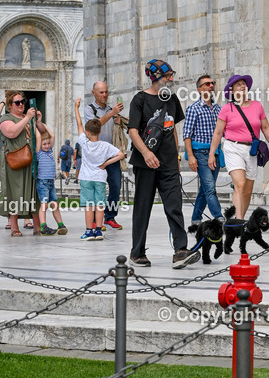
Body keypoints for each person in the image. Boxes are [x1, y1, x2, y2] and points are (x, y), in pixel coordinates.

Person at [127, 59, 200, 269]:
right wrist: (146, 153)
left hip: (168, 164)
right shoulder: (139, 99)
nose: (171, 79)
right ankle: (137, 252)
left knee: (174, 206)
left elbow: (173, 130)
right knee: (143, 208)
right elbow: (133, 130)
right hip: (145, 163)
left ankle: (180, 251)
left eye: (171, 75)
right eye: (167, 76)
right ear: (155, 77)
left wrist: (177, 158)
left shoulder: (171, 99)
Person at [208, 74, 269, 223]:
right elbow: (218, 132)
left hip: (251, 150)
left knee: (247, 189)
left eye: (243, 84)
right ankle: (239, 221)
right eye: (238, 84)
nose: (242, 86)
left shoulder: (257, 106)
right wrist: (211, 154)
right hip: (232, 147)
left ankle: (240, 218)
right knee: (239, 184)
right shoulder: (227, 109)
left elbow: (265, 127)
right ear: (232, 90)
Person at [74, 98, 124, 240]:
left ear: (87, 132)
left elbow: (78, 124)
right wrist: (106, 164)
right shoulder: (105, 146)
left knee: (89, 206)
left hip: (86, 178)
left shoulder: (84, 142)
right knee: (100, 205)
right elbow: (121, 155)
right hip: (100, 178)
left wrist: (76, 108)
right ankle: (98, 231)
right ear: (100, 130)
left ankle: (89, 231)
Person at [0, 90, 39, 236]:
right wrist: (27, 118)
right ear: (9, 105)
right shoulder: (5, 118)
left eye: (22, 101)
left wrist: (36, 121)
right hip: (13, 160)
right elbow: (11, 133)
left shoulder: (27, 118)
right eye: (17, 102)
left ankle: (37, 226)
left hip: (29, 159)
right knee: (15, 192)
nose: (21, 104)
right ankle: (14, 226)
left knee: (32, 192)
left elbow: (37, 137)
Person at [183, 74, 223, 224]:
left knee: (205, 189)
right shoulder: (193, 109)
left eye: (212, 83)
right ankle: (219, 217)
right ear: (199, 89)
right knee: (210, 188)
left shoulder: (219, 109)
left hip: (216, 154)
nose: (211, 86)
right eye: (206, 84)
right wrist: (191, 156)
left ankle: (195, 218)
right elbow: (187, 135)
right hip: (200, 154)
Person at [84, 81, 124, 230]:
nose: (104, 95)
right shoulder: (89, 109)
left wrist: (118, 121)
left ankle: (110, 217)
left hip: (111, 153)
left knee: (116, 185)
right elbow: (94, 126)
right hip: (96, 155)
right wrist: (111, 114)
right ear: (93, 93)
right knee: (97, 187)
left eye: (106, 92)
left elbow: (114, 128)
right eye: (101, 92)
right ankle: (94, 219)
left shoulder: (110, 109)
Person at [36, 124, 68, 235]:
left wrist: (44, 125)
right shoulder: (39, 153)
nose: (47, 146)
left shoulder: (49, 152)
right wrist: (36, 126)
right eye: (44, 144)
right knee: (44, 205)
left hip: (50, 182)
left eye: (48, 143)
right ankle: (43, 226)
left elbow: (53, 135)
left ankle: (60, 225)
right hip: (43, 182)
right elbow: (39, 139)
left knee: (55, 205)